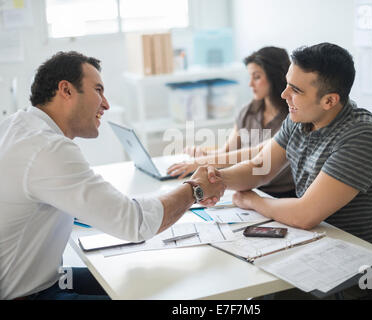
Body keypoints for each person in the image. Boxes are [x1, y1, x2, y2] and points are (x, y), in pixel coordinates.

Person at [0, 51, 225, 300]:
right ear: (66, 90)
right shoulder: (48, 148)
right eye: (98, 90)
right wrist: (195, 189)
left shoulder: (17, 126)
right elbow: (134, 223)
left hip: (45, 277)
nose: (105, 103)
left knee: (142, 279)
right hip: (29, 293)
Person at [206, 43, 372, 299]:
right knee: (231, 270)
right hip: (311, 241)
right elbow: (259, 168)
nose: (284, 95)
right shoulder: (301, 119)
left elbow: (305, 214)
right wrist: (215, 178)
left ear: (329, 100)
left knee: (257, 292)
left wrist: (253, 200)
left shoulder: (363, 136)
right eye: (287, 84)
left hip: (353, 266)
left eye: (295, 90)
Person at [167, 46, 296, 198]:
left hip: (279, 194)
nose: (250, 84)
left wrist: (203, 161)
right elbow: (228, 151)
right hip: (249, 188)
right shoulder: (248, 111)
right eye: (250, 77)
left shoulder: (293, 117)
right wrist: (203, 155)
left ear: (275, 76)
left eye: (257, 77)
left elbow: (258, 155)